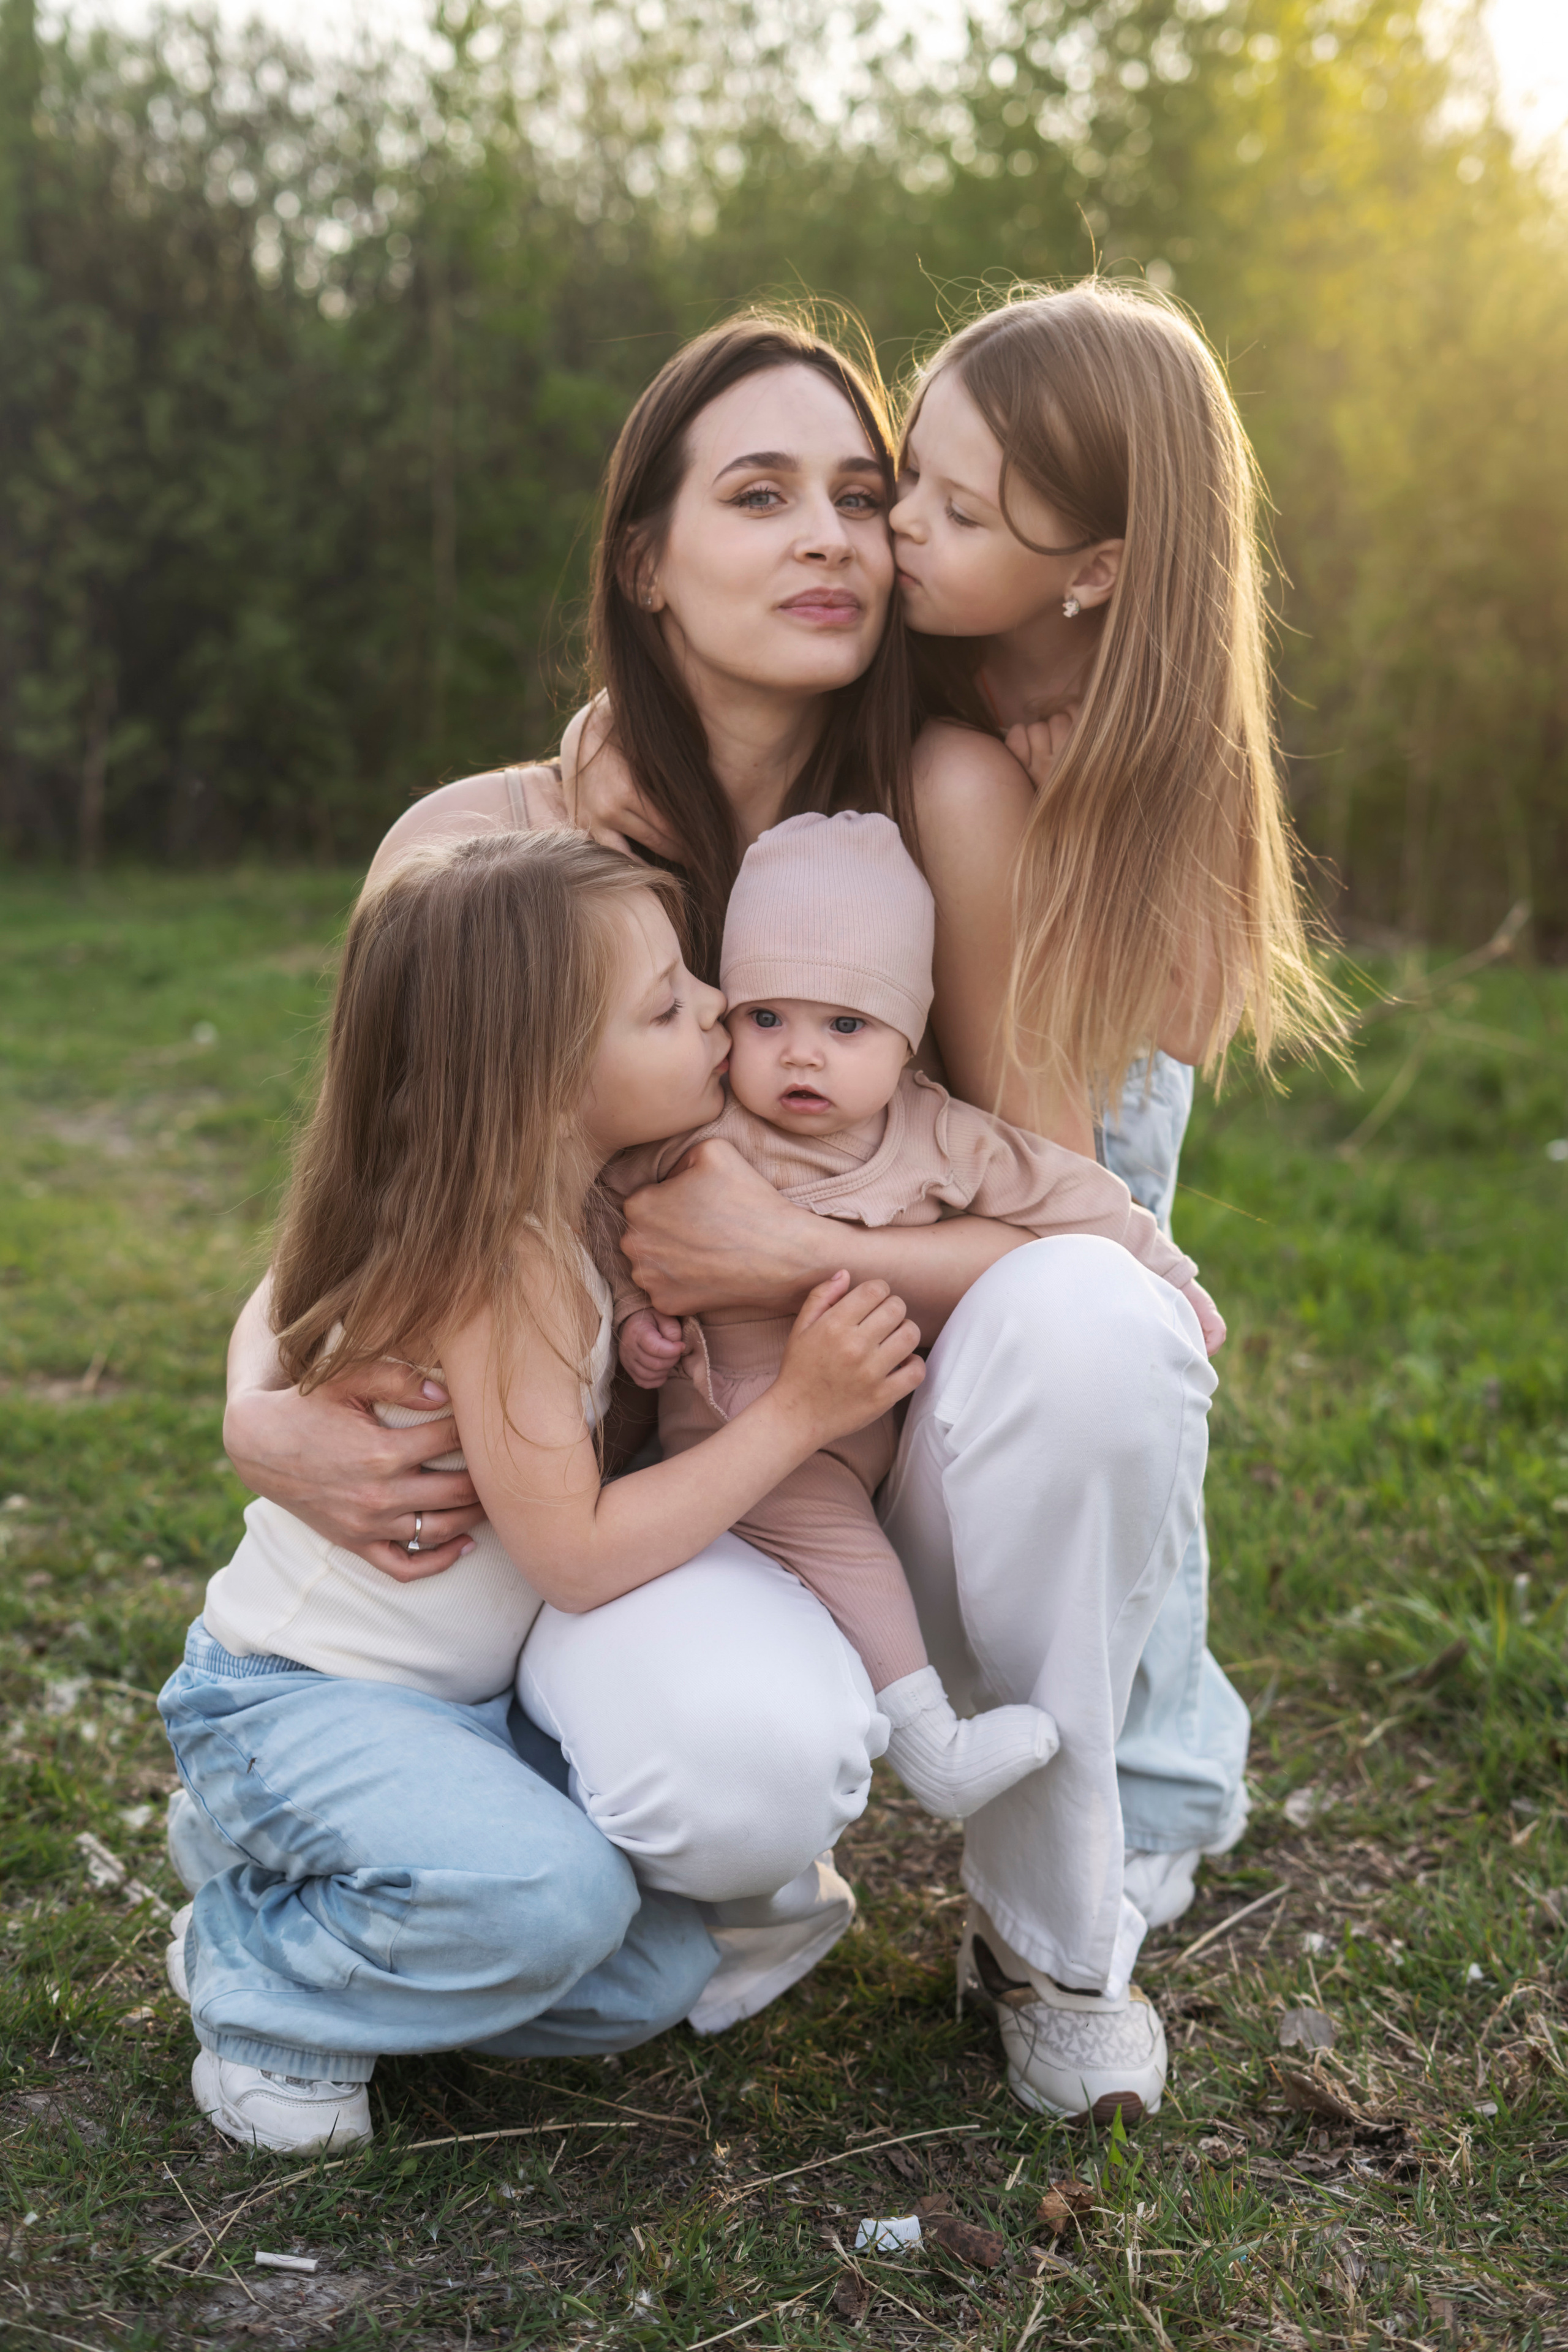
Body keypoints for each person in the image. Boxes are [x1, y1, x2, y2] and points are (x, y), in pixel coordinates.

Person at [217, 293, 1315, 2121]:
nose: (832, 533)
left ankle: (1056, 1937)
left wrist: (796, 1254)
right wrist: (253, 1407)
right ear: (644, 560)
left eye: (860, 491)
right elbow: (347, 1221)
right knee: (723, 1785)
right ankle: (603, 1856)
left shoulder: (949, 802)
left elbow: (1057, 1229)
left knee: (1106, 1336)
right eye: (757, 493)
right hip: (640, 1497)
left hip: (879, 1442)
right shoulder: (474, 856)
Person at [158, 829, 923, 2150]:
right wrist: (799, 1410)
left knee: (656, 1971)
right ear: (542, 1079)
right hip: (301, 1698)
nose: (711, 1015)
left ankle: (330, 1893)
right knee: (551, 1905)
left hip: (459, 1715)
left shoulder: (557, 1217)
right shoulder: (492, 1260)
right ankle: (258, 1973)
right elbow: (572, 1557)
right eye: (666, 1005)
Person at [593, 806, 1211, 1823]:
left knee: (868, 1545)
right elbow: (613, 1215)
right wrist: (633, 1320)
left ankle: (931, 1731)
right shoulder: (698, 1130)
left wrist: (1170, 1278)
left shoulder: (933, 1134)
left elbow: (1071, 1192)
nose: (801, 1057)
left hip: (855, 1439)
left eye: (846, 1027)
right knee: (809, 1571)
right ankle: (923, 1742)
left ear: (908, 1036)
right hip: (728, 1440)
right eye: (766, 1019)